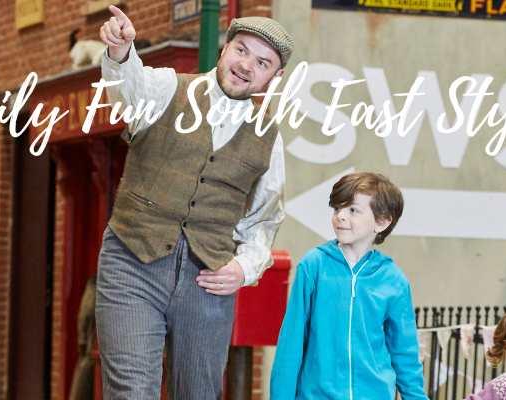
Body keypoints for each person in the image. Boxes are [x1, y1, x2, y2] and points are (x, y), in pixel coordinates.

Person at [95, 5, 292, 399]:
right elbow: (127, 89)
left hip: (208, 282)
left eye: (262, 62)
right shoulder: (167, 88)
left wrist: (242, 268)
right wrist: (120, 53)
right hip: (133, 262)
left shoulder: (269, 138)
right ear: (224, 50)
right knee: (131, 391)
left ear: (275, 76)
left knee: (198, 393)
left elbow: (263, 221)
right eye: (241, 50)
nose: (246, 65)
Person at [270, 172, 427, 400]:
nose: (340, 216)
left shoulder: (394, 280)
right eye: (337, 209)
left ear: (382, 221)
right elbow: (290, 344)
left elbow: (405, 354)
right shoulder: (313, 266)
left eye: (353, 210)